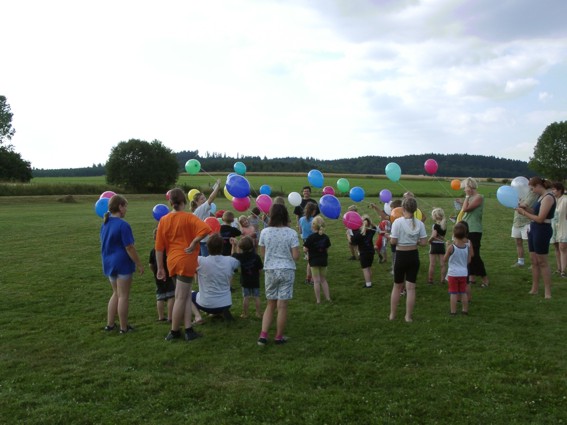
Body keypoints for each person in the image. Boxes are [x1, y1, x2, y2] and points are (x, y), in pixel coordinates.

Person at [155, 188, 211, 341]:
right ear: (184, 202)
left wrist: (160, 267)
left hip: (171, 261)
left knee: (185, 296)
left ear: (171, 203)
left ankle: (188, 329)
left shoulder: (164, 220)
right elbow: (207, 229)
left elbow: (159, 247)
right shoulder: (188, 217)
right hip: (185, 260)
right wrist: (194, 242)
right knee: (181, 297)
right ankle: (173, 332)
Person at [100, 194, 144, 334]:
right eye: (125, 207)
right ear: (120, 207)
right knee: (123, 296)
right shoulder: (123, 225)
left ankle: (110, 324)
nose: (126, 210)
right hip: (122, 264)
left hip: (108, 263)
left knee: (116, 293)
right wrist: (139, 264)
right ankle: (124, 328)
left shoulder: (105, 224)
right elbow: (129, 247)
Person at [257, 203, 300, 346]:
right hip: (287, 270)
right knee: (282, 306)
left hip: (270, 270)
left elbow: (263, 253)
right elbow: (295, 256)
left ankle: (263, 336)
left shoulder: (265, 232)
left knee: (270, 304)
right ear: (285, 216)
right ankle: (278, 337)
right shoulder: (291, 233)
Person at [388, 197, 428, 322]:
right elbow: (423, 243)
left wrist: (389, 237)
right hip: (413, 257)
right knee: (411, 288)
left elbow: (393, 241)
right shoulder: (420, 223)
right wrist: (414, 240)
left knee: (397, 287)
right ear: (415, 209)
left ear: (403, 208)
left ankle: (393, 315)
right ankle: (408, 316)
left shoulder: (397, 222)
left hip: (401, 256)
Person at [516, 177, 556, 298]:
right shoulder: (541, 197)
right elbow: (535, 212)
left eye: (533, 188)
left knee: (542, 262)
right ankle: (534, 288)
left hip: (542, 230)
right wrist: (525, 208)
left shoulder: (548, 197)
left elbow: (540, 218)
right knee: (534, 261)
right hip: (534, 229)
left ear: (539, 185)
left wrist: (524, 213)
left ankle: (547, 291)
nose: (532, 191)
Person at [191, 233, 240, 322]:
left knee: (187, 294)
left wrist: (194, 242)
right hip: (226, 304)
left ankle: (198, 316)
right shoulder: (230, 261)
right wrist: (235, 245)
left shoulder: (200, 261)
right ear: (222, 247)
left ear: (207, 247)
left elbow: (188, 255)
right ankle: (218, 312)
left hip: (206, 304)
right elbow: (237, 259)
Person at [457, 177, 489, 287]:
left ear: (470, 187)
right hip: (466, 228)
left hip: (474, 229)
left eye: (465, 188)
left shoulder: (479, 197)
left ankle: (485, 279)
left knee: (474, 255)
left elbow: (466, 209)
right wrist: (462, 202)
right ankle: (471, 277)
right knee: (467, 254)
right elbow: (465, 209)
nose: (464, 190)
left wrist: (466, 197)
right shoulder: (471, 197)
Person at [444, 222, 472, 315]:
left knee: (453, 293)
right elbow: (468, 261)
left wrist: (446, 247)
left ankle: (453, 311)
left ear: (453, 234)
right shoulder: (467, 247)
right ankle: (465, 310)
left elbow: (444, 259)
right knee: (463, 292)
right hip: (463, 273)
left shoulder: (451, 247)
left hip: (453, 273)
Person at [232, 236, 264, 318]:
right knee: (256, 297)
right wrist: (258, 275)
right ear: (252, 245)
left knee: (246, 297)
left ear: (241, 247)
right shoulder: (256, 256)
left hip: (245, 280)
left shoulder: (240, 257)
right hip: (255, 280)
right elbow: (260, 269)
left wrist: (233, 245)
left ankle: (245, 314)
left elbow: (233, 255)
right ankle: (258, 313)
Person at [303, 216, 332, 304]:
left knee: (316, 281)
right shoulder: (326, 237)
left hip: (314, 261)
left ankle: (318, 300)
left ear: (313, 226)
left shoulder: (310, 238)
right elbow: (327, 249)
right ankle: (328, 298)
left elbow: (305, 249)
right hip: (323, 261)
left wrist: (305, 249)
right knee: (323, 280)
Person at [149, 228, 175, 322]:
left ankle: (161, 317)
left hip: (158, 275)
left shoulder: (153, 251)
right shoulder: (168, 250)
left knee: (160, 296)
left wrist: (155, 272)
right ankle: (170, 317)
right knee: (171, 296)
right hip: (168, 275)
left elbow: (151, 264)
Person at [190, 179, 221, 256]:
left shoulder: (201, 210)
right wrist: (218, 187)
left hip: (201, 239)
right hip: (204, 241)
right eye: (202, 199)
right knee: (206, 260)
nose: (204, 200)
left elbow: (209, 216)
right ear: (197, 202)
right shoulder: (200, 209)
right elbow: (210, 198)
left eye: (204, 198)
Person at [510, 189, 538, 267]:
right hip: (517, 221)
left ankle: (534, 263)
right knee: (518, 242)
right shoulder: (518, 193)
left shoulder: (533, 193)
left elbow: (525, 205)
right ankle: (520, 262)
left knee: (530, 243)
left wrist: (517, 204)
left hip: (527, 222)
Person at [349, 215, 377, 288]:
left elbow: (353, 242)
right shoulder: (371, 231)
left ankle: (368, 284)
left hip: (364, 253)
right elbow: (375, 227)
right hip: (371, 252)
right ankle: (370, 281)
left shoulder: (359, 234)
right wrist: (369, 222)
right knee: (369, 268)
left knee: (365, 269)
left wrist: (348, 234)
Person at [550, 182, 567, 277]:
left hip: (563, 227)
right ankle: (559, 268)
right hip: (554, 227)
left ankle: (563, 271)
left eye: (554, 189)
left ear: (560, 190)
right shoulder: (553, 200)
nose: (552, 191)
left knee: (563, 248)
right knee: (556, 247)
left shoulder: (565, 200)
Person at [299, 202, 318, 284]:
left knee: (309, 260)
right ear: (313, 211)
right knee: (312, 261)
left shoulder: (301, 219)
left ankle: (308, 277)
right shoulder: (314, 220)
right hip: (312, 241)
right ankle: (312, 279)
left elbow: (300, 230)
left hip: (305, 240)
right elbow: (315, 231)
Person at [428, 208, 447, 285]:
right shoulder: (444, 225)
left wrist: (429, 240)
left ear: (435, 217)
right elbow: (442, 236)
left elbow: (434, 235)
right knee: (442, 264)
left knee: (432, 264)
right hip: (441, 245)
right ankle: (442, 280)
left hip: (434, 245)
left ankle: (430, 280)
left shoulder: (434, 225)